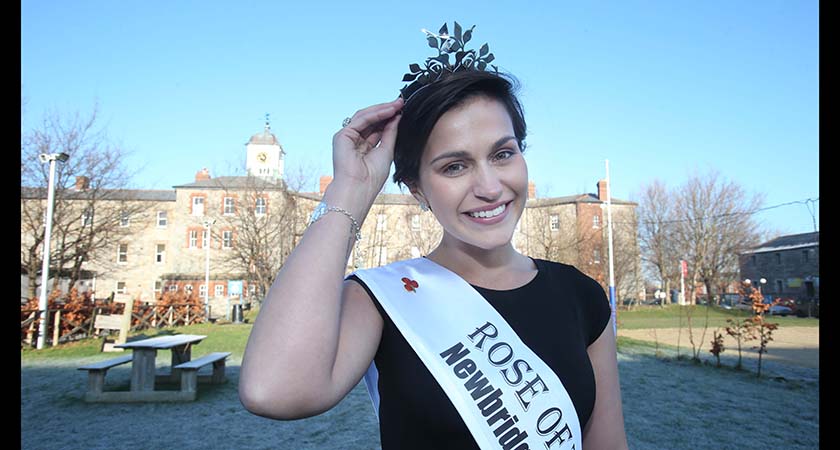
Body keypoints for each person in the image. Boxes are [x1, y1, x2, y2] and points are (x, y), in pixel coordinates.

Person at [240, 22, 628, 450]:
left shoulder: (582, 296)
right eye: (454, 166)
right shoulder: (381, 300)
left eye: (503, 154)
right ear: (417, 189)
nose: (489, 186)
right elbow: (271, 388)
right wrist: (351, 187)